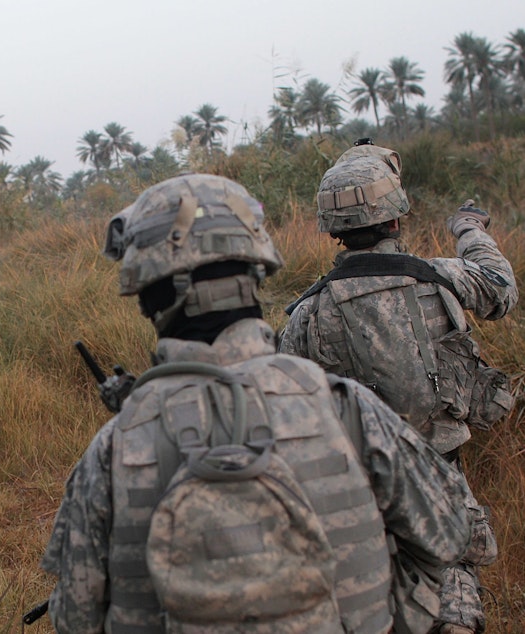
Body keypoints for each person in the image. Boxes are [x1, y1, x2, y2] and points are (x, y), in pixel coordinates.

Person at [41, 174, 471, 634]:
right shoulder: (346, 408)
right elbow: (453, 536)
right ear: (256, 273)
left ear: (148, 296)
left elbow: (75, 619)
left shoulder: (113, 449)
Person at [279, 140, 518, 634]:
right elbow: (500, 288)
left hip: (357, 507)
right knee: (453, 608)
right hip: (443, 489)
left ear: (333, 228)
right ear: (395, 216)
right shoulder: (442, 279)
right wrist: (469, 228)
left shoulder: (306, 314)